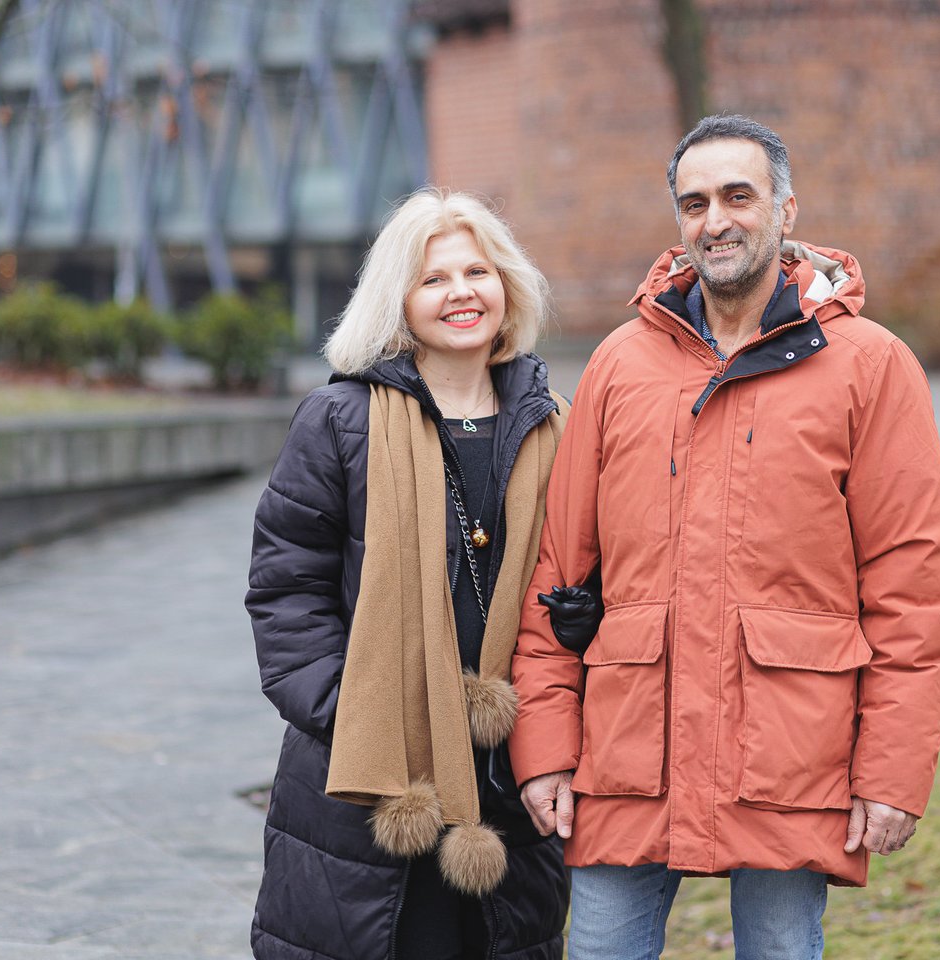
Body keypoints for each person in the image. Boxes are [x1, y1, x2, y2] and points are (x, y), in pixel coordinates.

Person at [509, 115, 940, 959]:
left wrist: (893, 770)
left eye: (737, 196)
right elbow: (557, 574)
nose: (715, 220)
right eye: (694, 203)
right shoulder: (619, 364)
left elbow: (913, 589)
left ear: (786, 210)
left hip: (791, 755)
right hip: (628, 752)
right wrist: (544, 749)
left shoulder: (869, 365)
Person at [245, 188, 570, 960]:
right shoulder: (338, 422)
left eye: (477, 272)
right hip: (368, 775)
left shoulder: (554, 423)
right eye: (434, 279)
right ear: (399, 299)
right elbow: (286, 589)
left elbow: (580, 573)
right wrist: (351, 711)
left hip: (511, 769)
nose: (462, 292)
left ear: (507, 285)